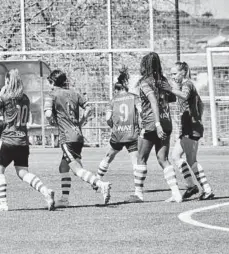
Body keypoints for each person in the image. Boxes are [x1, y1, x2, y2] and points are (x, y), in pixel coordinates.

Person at [0, 69, 55, 212]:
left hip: (7, 139)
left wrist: (1, 93)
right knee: (22, 172)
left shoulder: (5, 97)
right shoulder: (25, 98)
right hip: (23, 141)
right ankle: (45, 191)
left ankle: (3, 204)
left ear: (7, 81)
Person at [44, 70, 111, 208]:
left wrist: (51, 120)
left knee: (76, 169)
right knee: (63, 167)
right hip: (78, 136)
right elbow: (89, 108)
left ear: (52, 82)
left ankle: (100, 184)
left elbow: (48, 113)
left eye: (49, 82)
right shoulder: (74, 93)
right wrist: (82, 121)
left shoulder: (52, 94)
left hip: (67, 137)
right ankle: (64, 199)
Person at [132, 52, 183, 203]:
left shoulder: (145, 82)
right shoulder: (163, 80)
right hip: (167, 123)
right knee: (163, 159)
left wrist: (157, 124)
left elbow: (153, 102)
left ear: (144, 65)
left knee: (141, 158)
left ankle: (138, 194)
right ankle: (176, 193)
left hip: (152, 124)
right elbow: (173, 98)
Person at [95, 67, 143, 201]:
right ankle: (138, 191)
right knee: (135, 161)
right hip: (132, 133)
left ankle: (97, 180)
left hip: (118, 134)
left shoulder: (113, 100)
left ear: (116, 89)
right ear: (126, 88)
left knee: (109, 156)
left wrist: (113, 126)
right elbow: (141, 112)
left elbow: (107, 118)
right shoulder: (134, 97)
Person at [168, 62, 214, 200]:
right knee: (175, 156)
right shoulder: (186, 85)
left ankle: (207, 189)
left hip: (191, 128)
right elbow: (200, 103)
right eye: (171, 74)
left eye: (175, 73)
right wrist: (197, 116)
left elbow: (185, 96)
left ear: (183, 72)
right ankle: (191, 186)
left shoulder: (187, 84)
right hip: (189, 127)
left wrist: (170, 89)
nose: (173, 76)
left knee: (191, 160)